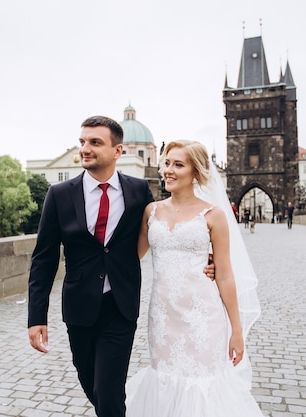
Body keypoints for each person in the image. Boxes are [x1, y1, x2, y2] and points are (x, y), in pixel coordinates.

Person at [27, 116, 214, 417]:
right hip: (79, 308)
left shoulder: (138, 191)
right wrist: (36, 316)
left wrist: (207, 258)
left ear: (117, 151)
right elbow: (43, 259)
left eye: (95, 142)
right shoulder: (59, 196)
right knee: (92, 386)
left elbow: (166, 227)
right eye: (83, 142)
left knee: (110, 392)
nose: (85, 149)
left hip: (120, 306)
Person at [126, 140, 265, 417]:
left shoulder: (214, 215)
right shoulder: (151, 211)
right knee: (165, 376)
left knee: (203, 385)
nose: (169, 170)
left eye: (178, 164)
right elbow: (130, 259)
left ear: (196, 172)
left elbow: (224, 275)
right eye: (167, 163)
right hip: (163, 317)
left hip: (203, 316)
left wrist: (236, 330)